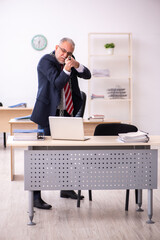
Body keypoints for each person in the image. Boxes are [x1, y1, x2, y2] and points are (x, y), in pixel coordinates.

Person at [30, 37, 91, 209]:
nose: (65, 55)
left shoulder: (70, 61)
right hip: (47, 115)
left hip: (66, 114)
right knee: (40, 157)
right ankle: (35, 197)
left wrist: (76, 65)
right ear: (56, 47)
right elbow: (57, 83)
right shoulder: (45, 61)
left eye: (69, 53)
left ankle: (65, 188)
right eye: (63, 51)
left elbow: (87, 74)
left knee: (66, 155)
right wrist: (66, 68)